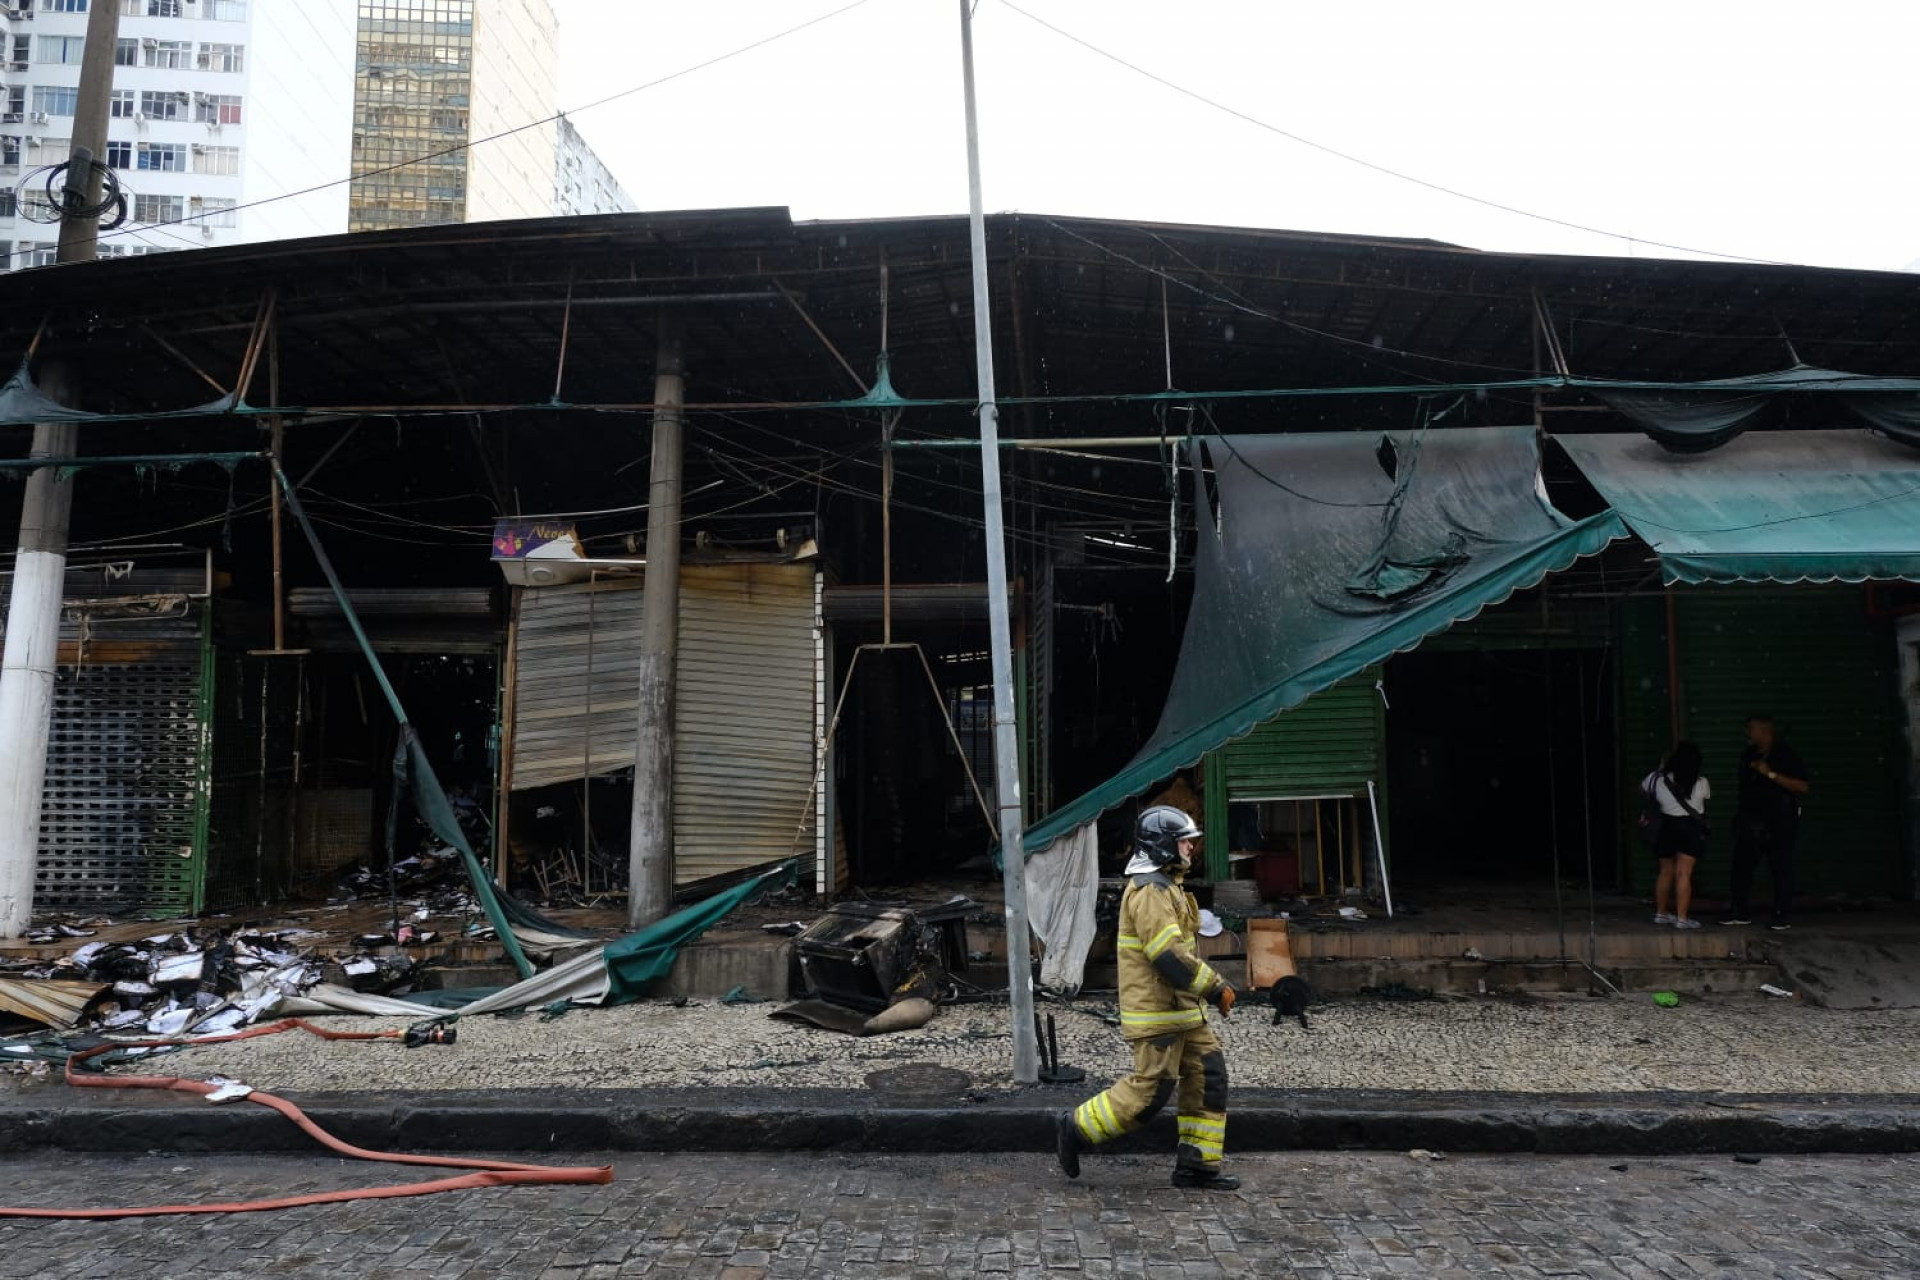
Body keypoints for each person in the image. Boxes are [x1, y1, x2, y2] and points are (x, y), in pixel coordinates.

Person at [1056, 805, 1239, 1190]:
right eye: (1185, 840)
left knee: (1209, 1075)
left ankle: (1197, 1166)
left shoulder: (1166, 885)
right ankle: (1075, 1128)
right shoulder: (1150, 891)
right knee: (1149, 1093)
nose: (1192, 846)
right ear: (1162, 846)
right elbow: (1168, 956)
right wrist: (1216, 986)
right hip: (1158, 1013)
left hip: (1182, 1011)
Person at [1724, 715, 1811, 931]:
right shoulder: (1748, 755)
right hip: (1750, 821)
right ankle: (1739, 911)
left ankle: (1781, 914)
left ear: (1765, 731)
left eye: (1751, 729)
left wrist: (1770, 774)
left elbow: (1802, 786)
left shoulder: (1785, 755)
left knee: (1780, 868)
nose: (1747, 733)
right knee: (1741, 868)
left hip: (1778, 822)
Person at [1646, 741, 1710, 930]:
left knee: (1665, 872)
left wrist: (1661, 769)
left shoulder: (1657, 779)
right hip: (1690, 828)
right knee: (1684, 873)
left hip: (1666, 826)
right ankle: (1682, 919)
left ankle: (1661, 913)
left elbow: (1644, 791)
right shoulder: (1701, 782)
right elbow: (1703, 801)